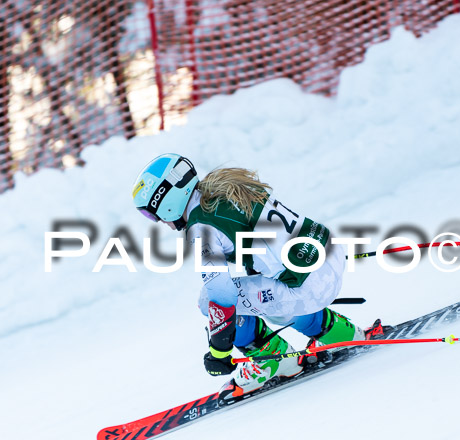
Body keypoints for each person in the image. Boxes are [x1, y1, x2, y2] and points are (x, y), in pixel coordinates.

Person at [132, 153, 379, 398]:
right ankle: (342, 334)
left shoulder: (200, 229)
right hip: (329, 255)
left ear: (166, 201)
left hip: (310, 287)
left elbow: (221, 294)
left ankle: (272, 361)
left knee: (207, 300)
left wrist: (219, 351)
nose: (157, 221)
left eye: (151, 213)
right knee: (266, 295)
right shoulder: (222, 188)